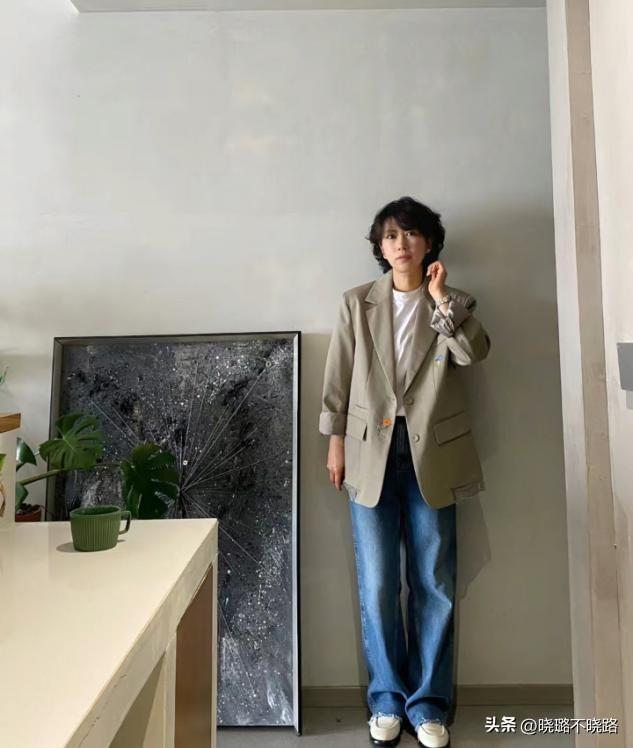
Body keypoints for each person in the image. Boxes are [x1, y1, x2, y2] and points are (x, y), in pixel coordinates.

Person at [318, 196, 491, 747]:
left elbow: (473, 353)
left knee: (434, 582)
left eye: (411, 234)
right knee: (377, 584)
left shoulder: (454, 303)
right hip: (369, 452)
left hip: (432, 456)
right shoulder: (356, 303)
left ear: (429, 243)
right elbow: (338, 378)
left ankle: (429, 705)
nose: (401, 244)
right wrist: (335, 443)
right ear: (380, 246)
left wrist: (440, 299)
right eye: (391, 236)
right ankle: (387, 700)